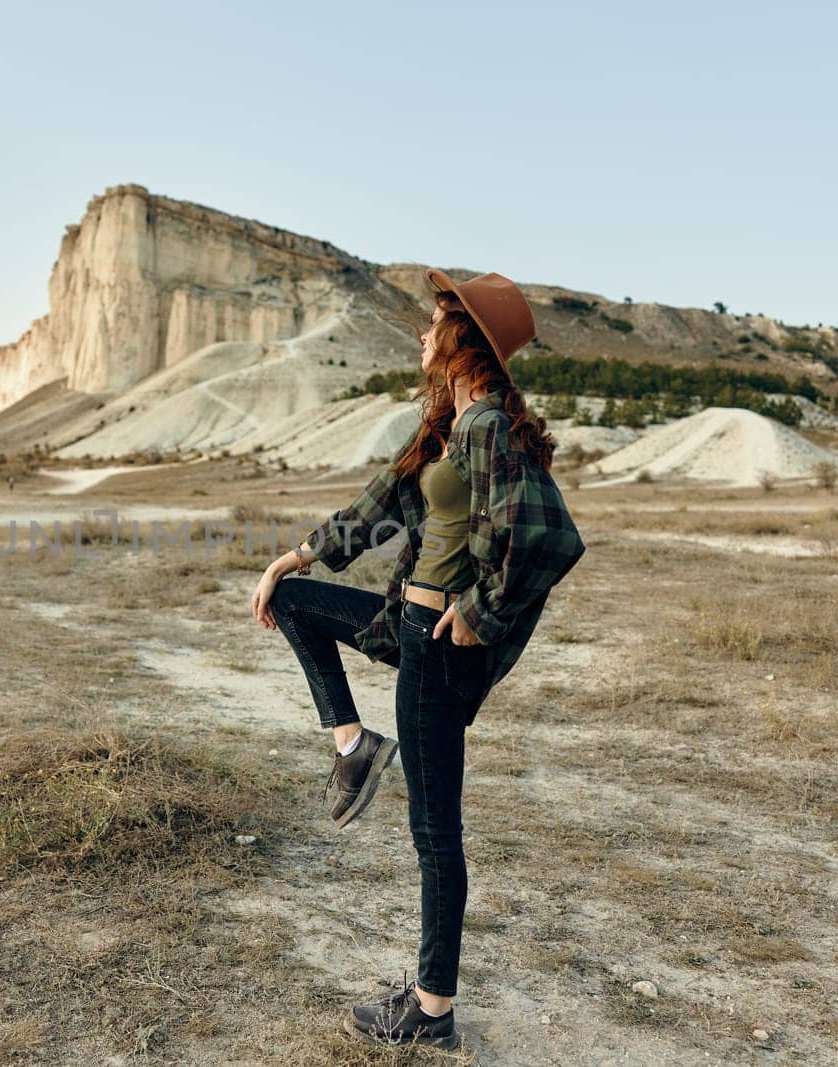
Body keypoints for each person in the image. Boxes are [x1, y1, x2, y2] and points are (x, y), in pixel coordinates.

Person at [250, 269, 586, 1050]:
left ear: (464, 341)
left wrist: (481, 613)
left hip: (439, 652)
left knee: (436, 835)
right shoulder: (451, 424)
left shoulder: (490, 428)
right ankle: (354, 745)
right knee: (295, 605)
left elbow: (547, 536)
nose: (420, 336)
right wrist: (292, 559)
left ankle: (432, 1013)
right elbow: (380, 506)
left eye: (433, 323)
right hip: (411, 628)